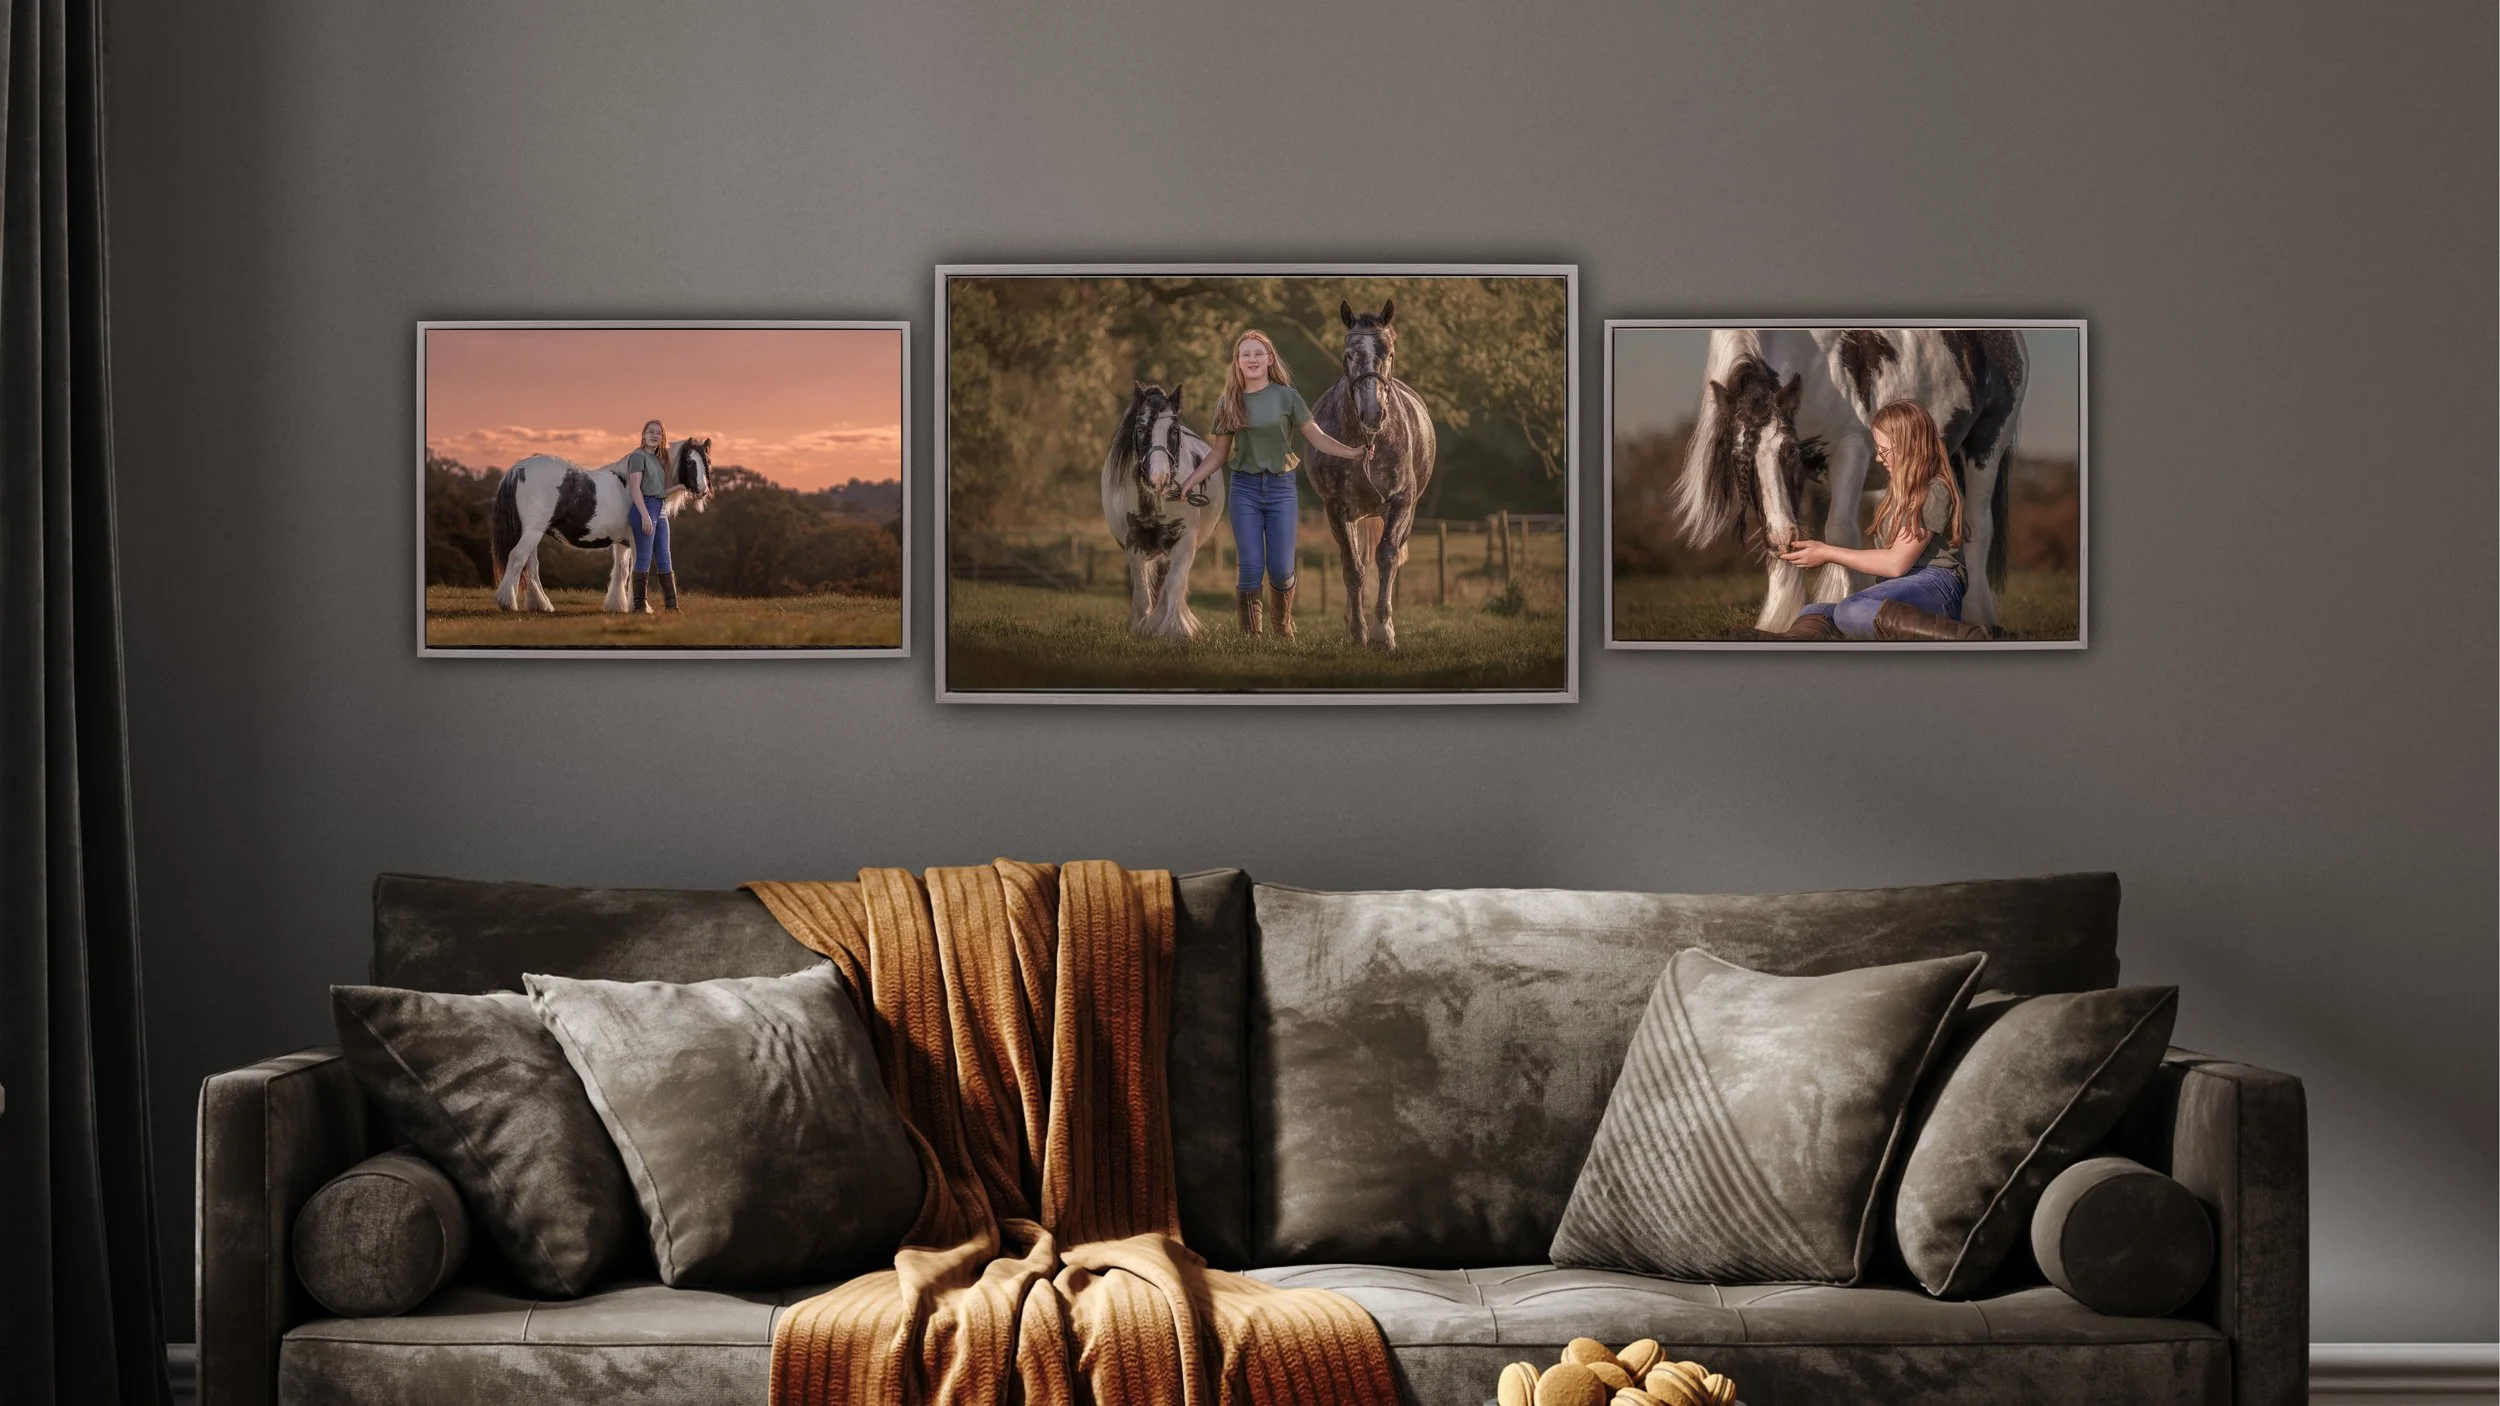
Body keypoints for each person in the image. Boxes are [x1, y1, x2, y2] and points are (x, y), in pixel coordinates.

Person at [1169, 330, 1373, 636]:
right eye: (1245, 354)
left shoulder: (1287, 397)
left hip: (1281, 490)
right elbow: (1218, 454)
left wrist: (1354, 452)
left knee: (1280, 568)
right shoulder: (1228, 403)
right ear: (1237, 362)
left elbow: (1316, 437)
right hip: (1244, 490)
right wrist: (1189, 482)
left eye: (1258, 353)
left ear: (1269, 359)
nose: (1252, 359)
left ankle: (1281, 626)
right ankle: (1251, 636)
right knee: (1250, 567)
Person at [1759, 399, 1991, 641]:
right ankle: (1786, 651)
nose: (1879, 459)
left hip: (1936, 584)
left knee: (1850, 610)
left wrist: (1827, 553)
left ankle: (1967, 637)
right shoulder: (1901, 493)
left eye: (1883, 450)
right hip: (1906, 582)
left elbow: (1896, 564)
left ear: (1907, 445)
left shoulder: (1934, 491)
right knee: (1815, 611)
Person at [621, 419, 679, 614]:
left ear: (662, 437)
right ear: (643, 435)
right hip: (644, 508)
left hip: (660, 510)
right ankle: (638, 607)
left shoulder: (659, 460)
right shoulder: (638, 456)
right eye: (651, 432)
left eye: (659, 433)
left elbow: (659, 490)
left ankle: (672, 607)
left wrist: (681, 487)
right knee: (644, 558)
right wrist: (645, 515)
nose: (655, 435)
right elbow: (635, 489)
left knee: (664, 558)